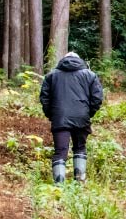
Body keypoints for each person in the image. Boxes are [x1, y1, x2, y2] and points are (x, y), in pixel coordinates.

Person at [39, 52, 104, 184]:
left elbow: (45, 98)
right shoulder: (90, 75)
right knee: (80, 147)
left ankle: (59, 186)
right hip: (81, 117)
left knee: (60, 151)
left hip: (60, 117)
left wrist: (52, 115)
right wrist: (88, 113)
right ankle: (79, 181)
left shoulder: (51, 75)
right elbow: (97, 98)